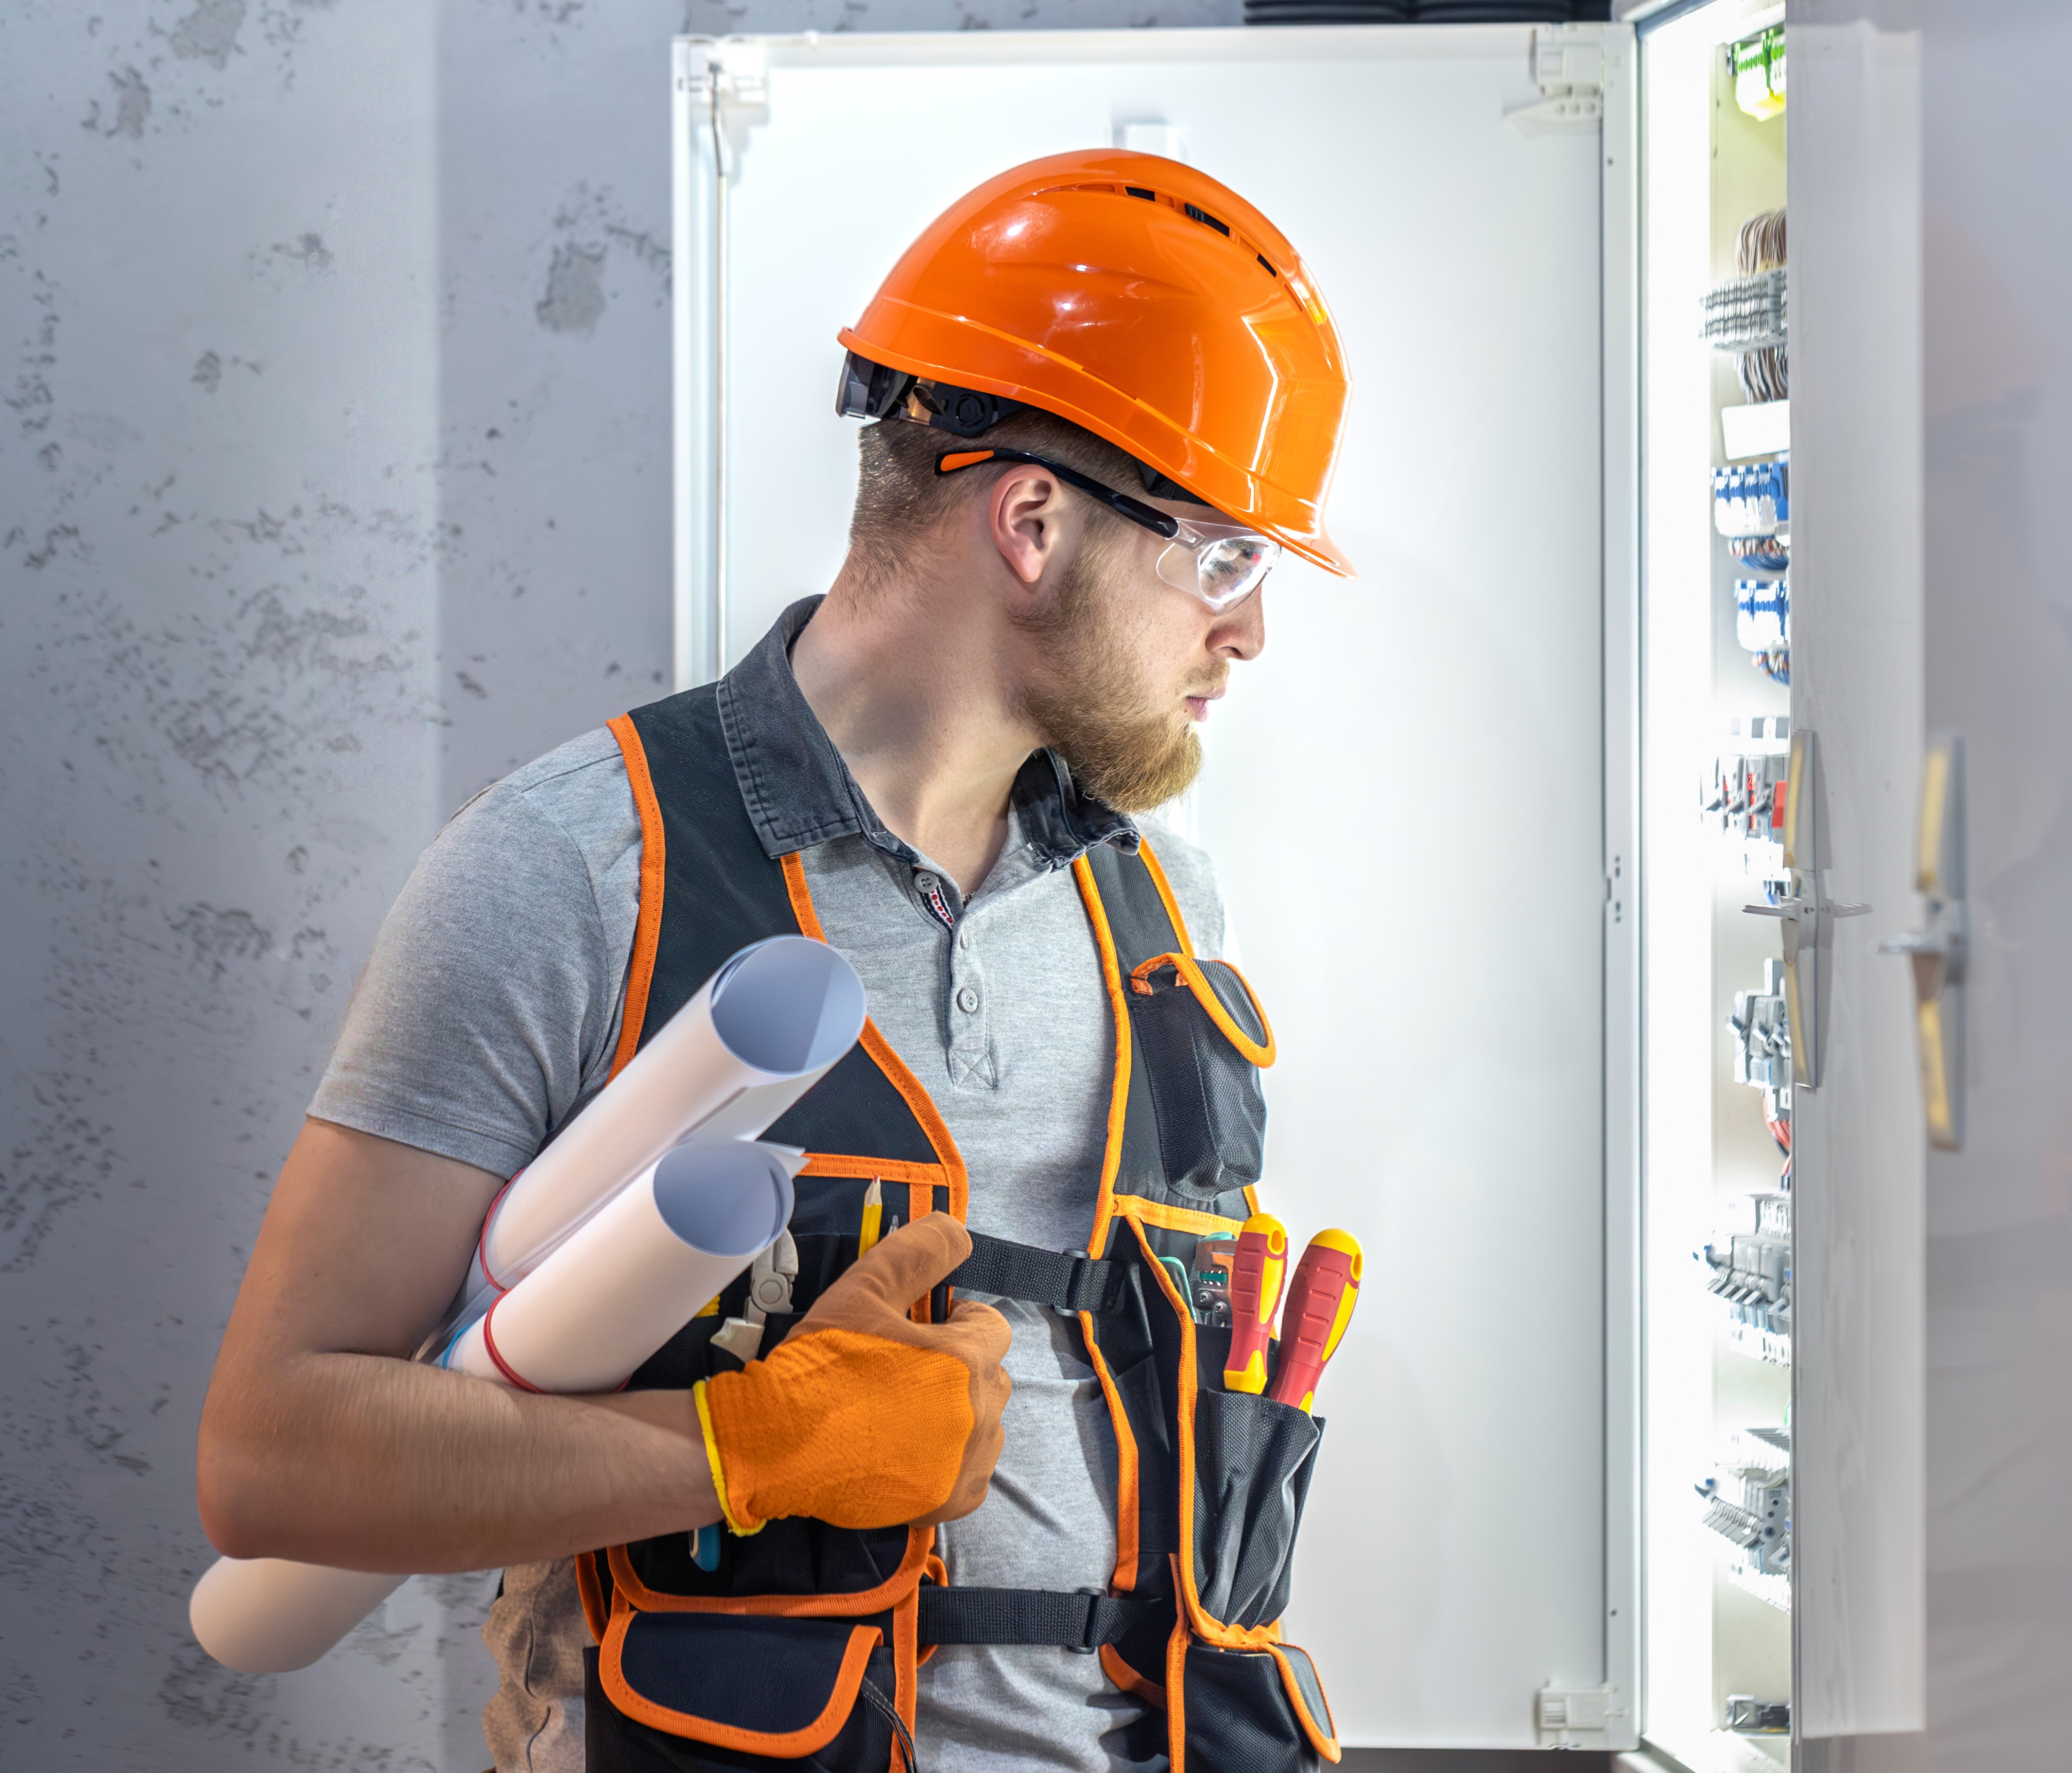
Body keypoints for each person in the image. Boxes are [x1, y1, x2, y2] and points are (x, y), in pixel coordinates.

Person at [196, 150, 1353, 1773]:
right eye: (1226, 559)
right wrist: (750, 1448)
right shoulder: (576, 872)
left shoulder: (1164, 915)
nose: (1248, 634)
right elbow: (276, 1461)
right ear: (1031, 521)